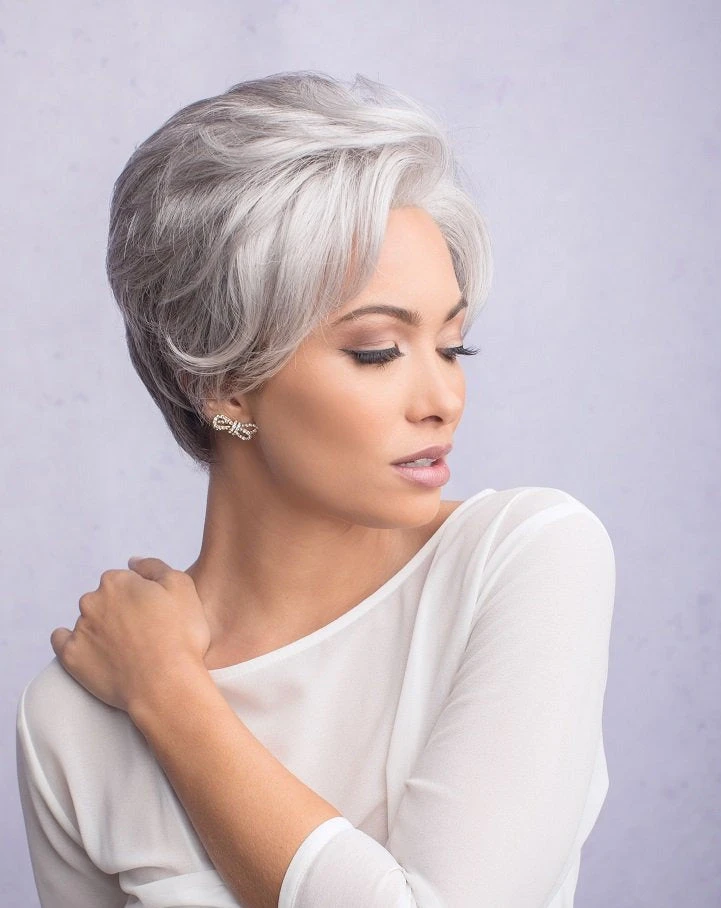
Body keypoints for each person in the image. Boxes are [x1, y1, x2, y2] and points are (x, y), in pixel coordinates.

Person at [15, 70, 616, 908]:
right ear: (223, 382)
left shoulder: (522, 560)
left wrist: (169, 696)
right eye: (377, 352)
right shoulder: (73, 713)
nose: (443, 399)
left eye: (452, 346)